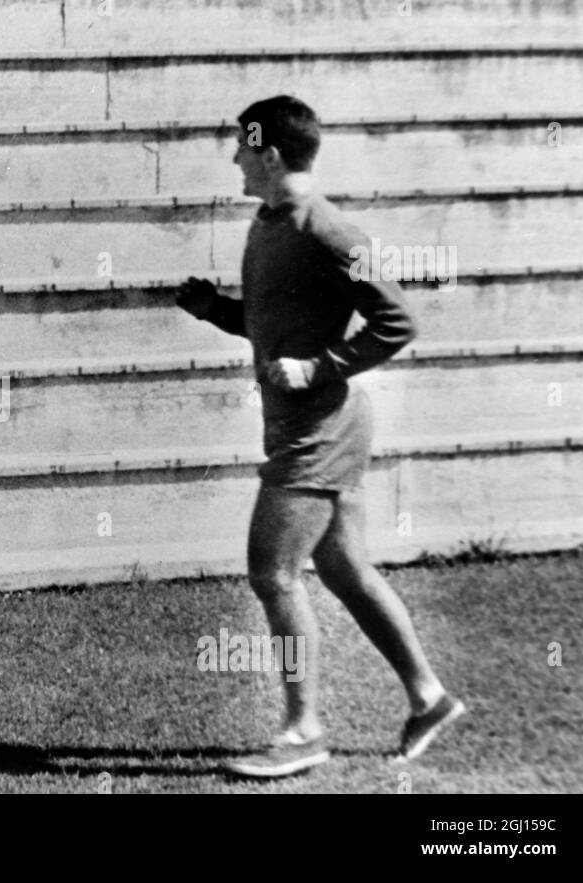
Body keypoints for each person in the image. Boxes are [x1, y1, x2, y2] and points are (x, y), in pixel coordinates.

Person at [174, 95, 465, 777]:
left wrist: (319, 366)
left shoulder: (331, 232)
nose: (234, 159)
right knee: (344, 570)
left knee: (271, 572)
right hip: (303, 427)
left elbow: (398, 322)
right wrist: (215, 309)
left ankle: (303, 729)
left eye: (242, 148)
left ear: (270, 154)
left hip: (321, 433)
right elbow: (275, 323)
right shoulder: (269, 224)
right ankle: (429, 696)